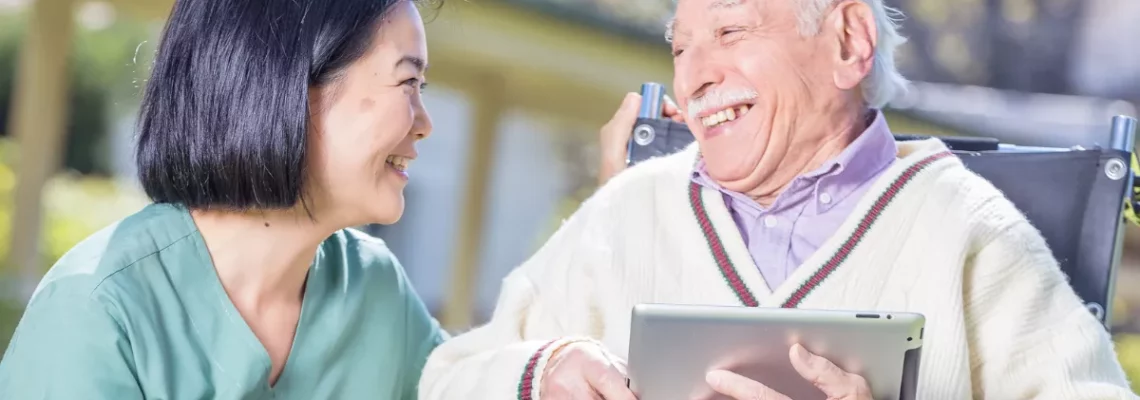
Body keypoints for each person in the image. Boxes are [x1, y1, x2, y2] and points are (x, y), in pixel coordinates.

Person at [418, 0, 1137, 399]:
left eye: (730, 31)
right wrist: (539, 375)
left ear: (848, 41)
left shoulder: (969, 235)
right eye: (680, 46)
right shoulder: (629, 212)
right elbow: (448, 382)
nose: (695, 77)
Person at [0, 0, 445, 398]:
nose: (424, 123)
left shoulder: (375, 289)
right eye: (407, 81)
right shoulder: (96, 311)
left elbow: (467, 382)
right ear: (284, 84)